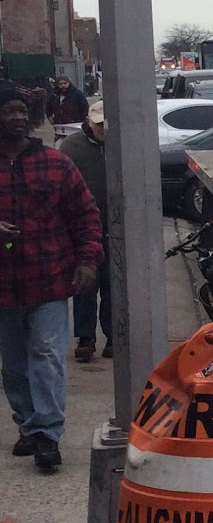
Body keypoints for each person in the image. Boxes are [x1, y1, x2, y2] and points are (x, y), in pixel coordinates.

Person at [0, 80, 102, 471]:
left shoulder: (56, 164)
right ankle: (27, 424)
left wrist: (88, 261)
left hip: (48, 280)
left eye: (21, 111)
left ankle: (47, 435)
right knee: (13, 365)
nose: (17, 118)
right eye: (8, 111)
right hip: (5, 287)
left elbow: (85, 216)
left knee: (46, 354)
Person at [58, 106, 111, 362]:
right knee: (86, 285)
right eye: (99, 124)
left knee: (115, 285)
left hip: (115, 228)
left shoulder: (121, 142)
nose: (103, 129)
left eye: (106, 124)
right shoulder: (72, 146)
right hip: (82, 229)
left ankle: (114, 336)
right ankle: (85, 338)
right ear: (89, 122)